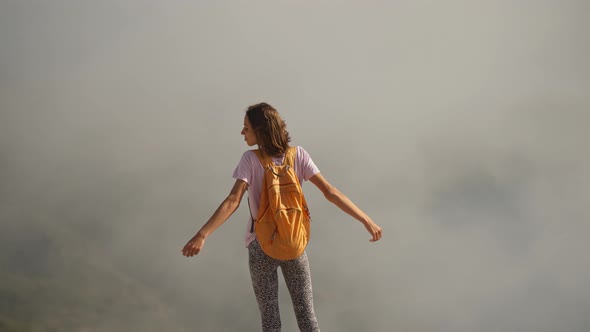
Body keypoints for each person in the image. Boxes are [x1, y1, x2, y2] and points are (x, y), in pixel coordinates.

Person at [182, 102, 383, 332]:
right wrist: (366, 220)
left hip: (261, 247)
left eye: (246, 128)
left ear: (260, 131)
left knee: (271, 321)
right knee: (307, 316)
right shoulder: (298, 156)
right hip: (293, 243)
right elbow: (330, 192)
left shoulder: (250, 160)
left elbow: (233, 201)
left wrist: (202, 234)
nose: (242, 132)